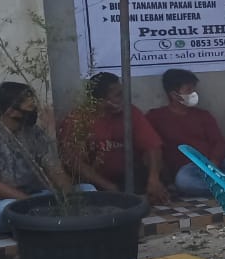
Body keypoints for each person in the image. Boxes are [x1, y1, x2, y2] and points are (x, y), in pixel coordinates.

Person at [0, 82, 94, 233]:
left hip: (36, 197)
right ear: (11, 111)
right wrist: (31, 204)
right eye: (30, 106)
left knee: (87, 190)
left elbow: (54, 169)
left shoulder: (34, 134)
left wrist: (70, 199)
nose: (34, 110)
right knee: (7, 211)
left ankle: (55, 226)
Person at [60, 72, 170, 204]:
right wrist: (108, 186)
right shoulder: (77, 119)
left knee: (157, 174)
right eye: (118, 95)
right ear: (100, 100)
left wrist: (154, 178)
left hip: (127, 176)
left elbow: (153, 145)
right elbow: (74, 162)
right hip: (95, 180)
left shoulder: (129, 112)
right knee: (91, 196)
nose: (123, 99)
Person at [147, 68, 225, 197]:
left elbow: (219, 142)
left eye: (194, 89)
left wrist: (213, 163)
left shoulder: (203, 115)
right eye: (189, 90)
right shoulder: (156, 117)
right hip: (188, 170)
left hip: (214, 165)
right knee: (184, 181)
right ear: (174, 95)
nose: (194, 94)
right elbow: (151, 147)